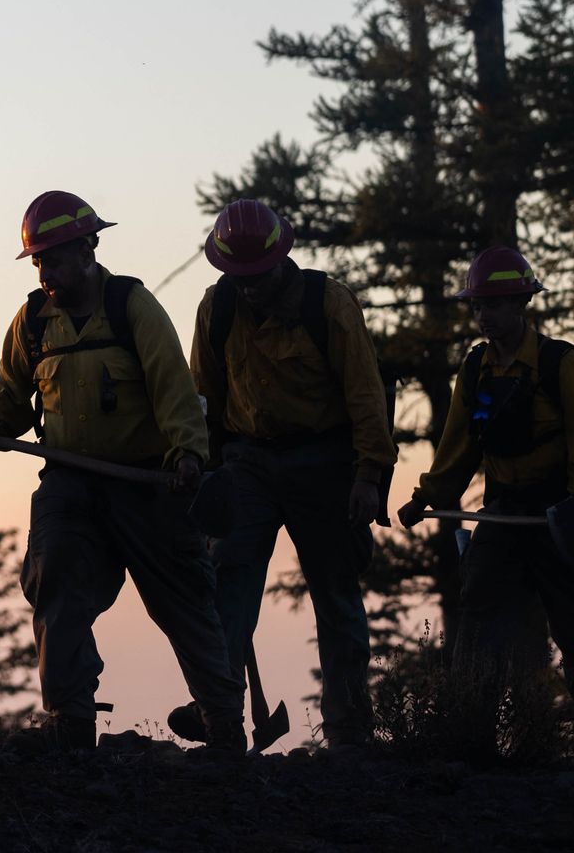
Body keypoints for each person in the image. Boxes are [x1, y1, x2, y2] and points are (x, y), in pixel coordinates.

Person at [0, 191, 245, 752]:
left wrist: (189, 453)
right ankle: (71, 724)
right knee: (55, 584)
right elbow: (13, 395)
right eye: (39, 261)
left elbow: (174, 390)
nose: (47, 271)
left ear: (89, 247)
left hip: (147, 486)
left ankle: (223, 726)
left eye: (56, 258)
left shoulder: (131, 307)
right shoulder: (33, 322)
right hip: (70, 485)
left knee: (185, 602)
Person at [170, 199, 395, 750]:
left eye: (256, 275)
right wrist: (204, 469)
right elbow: (204, 397)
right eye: (235, 276)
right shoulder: (216, 307)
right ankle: (219, 716)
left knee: (336, 594)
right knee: (228, 583)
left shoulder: (330, 304)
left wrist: (369, 475)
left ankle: (349, 734)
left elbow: (366, 396)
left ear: (281, 258)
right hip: (246, 463)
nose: (247, 286)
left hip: (325, 465)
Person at [396, 246, 574, 761]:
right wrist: (427, 498)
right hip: (501, 511)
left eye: (492, 304)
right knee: (480, 616)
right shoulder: (475, 370)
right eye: (477, 306)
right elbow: (458, 446)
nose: (482, 315)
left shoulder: (561, 366)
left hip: (556, 513)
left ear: (521, 303)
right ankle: (473, 734)